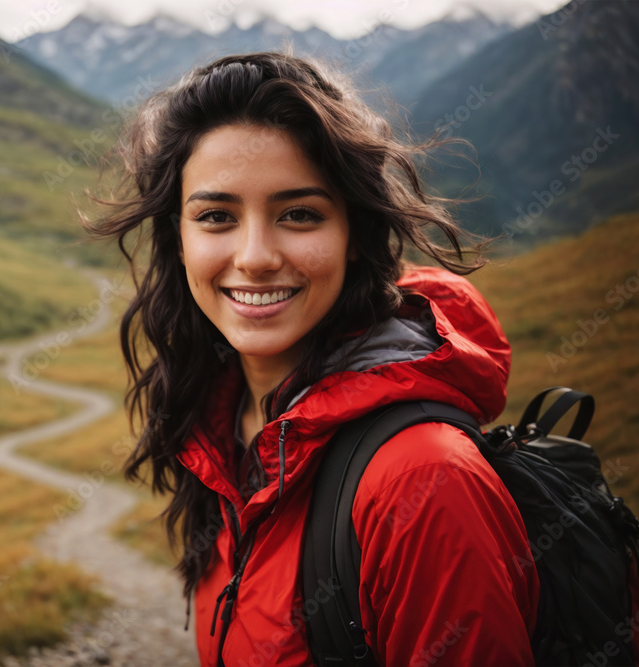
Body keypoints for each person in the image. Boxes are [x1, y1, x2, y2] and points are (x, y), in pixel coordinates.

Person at [82, 52, 539, 666]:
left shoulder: (423, 479)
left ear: (355, 234)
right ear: (178, 238)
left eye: (299, 214)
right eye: (216, 216)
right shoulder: (218, 424)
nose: (255, 256)